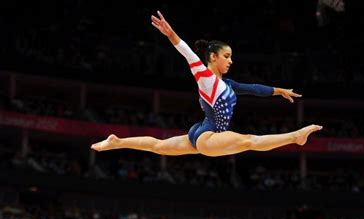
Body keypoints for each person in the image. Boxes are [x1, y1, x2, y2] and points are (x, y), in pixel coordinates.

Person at [91, 11, 322, 157]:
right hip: (208, 136)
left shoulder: (227, 84)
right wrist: (171, 34)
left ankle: (117, 141)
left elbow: (253, 89)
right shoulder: (205, 77)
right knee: (250, 141)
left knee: (158, 147)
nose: (231, 61)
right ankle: (296, 136)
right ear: (213, 57)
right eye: (227, 56)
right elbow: (188, 53)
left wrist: (279, 91)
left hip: (199, 133)